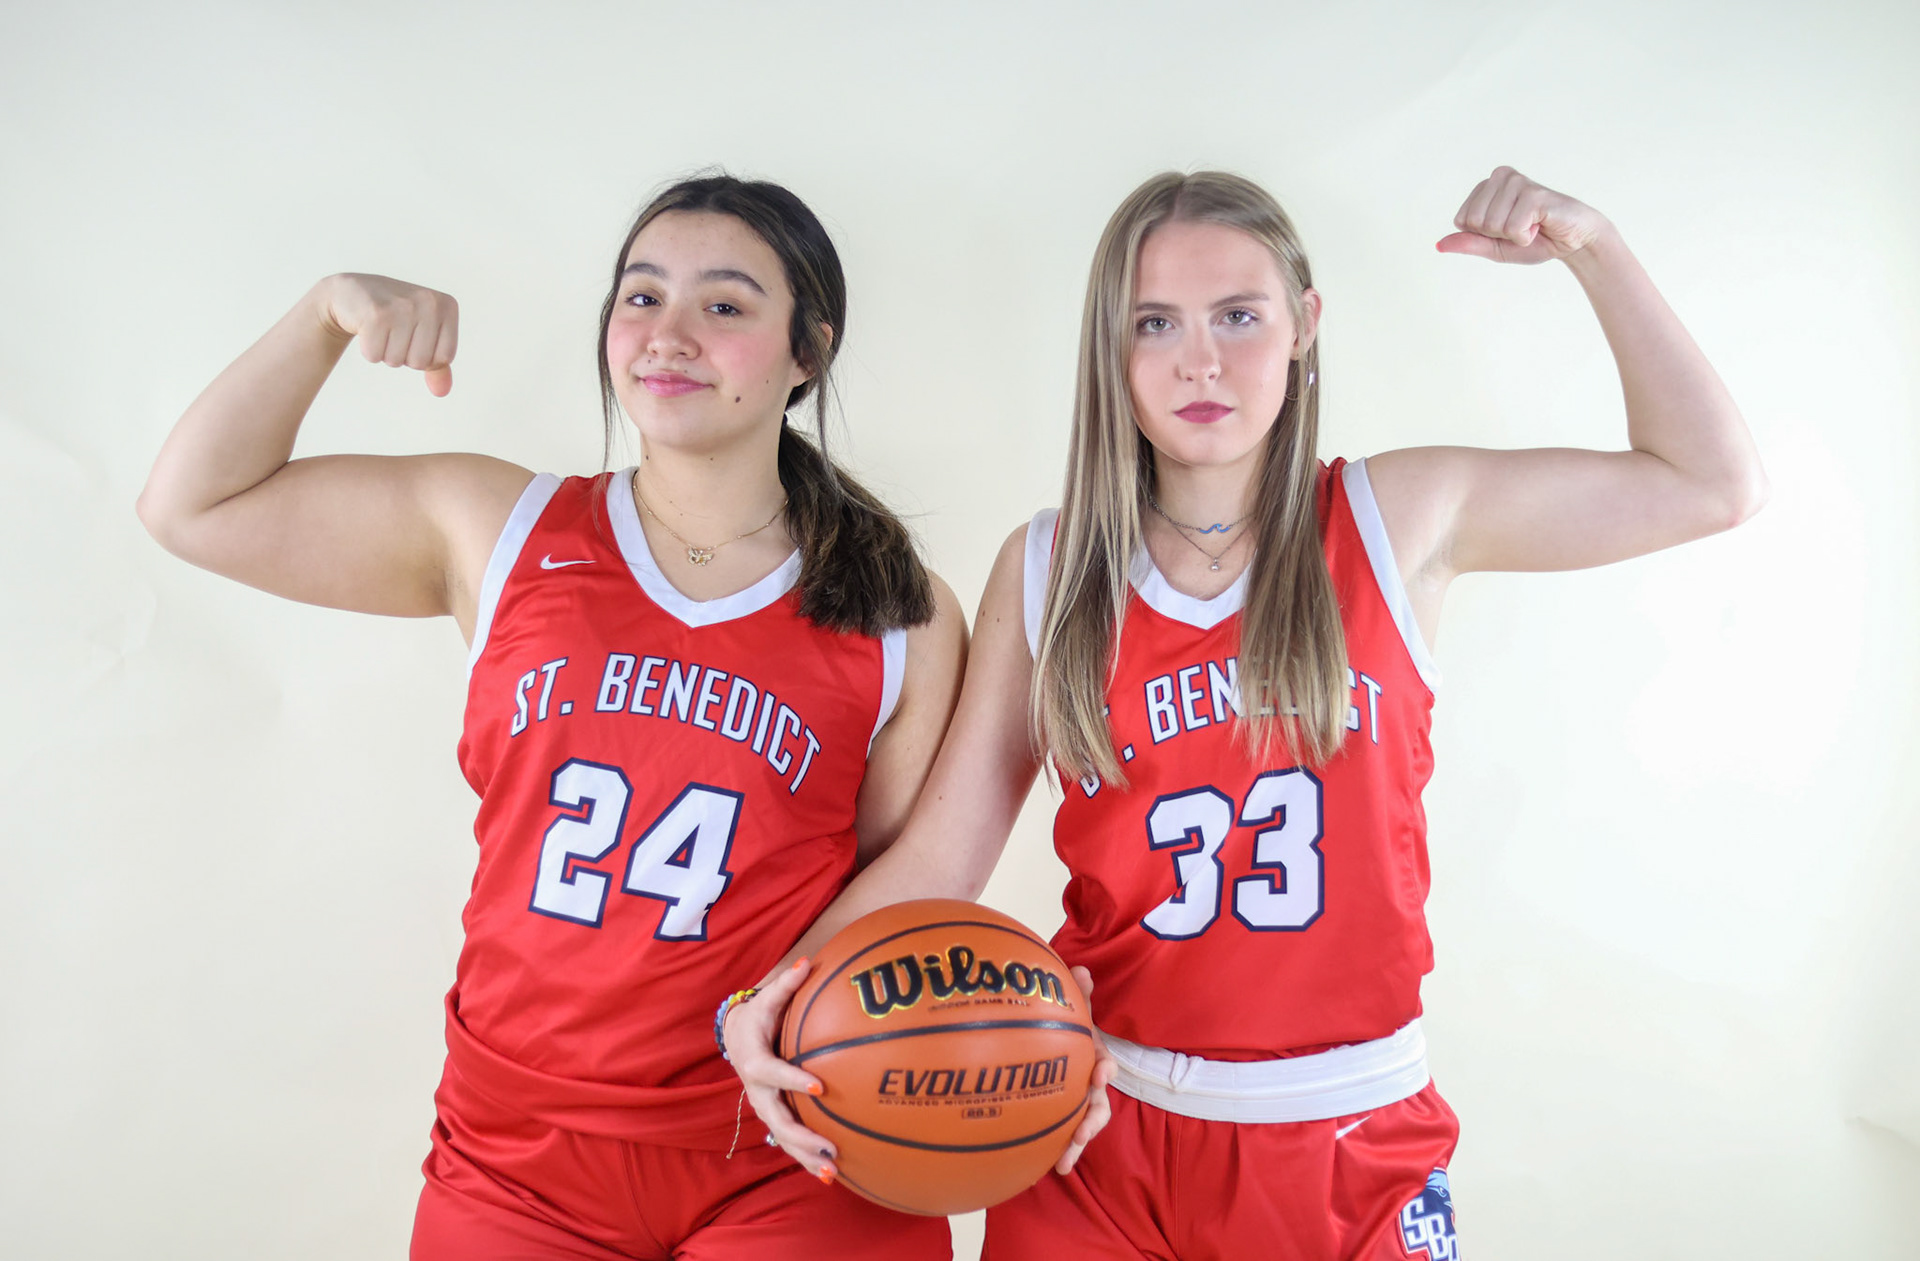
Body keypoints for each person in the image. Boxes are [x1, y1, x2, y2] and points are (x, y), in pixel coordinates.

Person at [721, 166, 1765, 1260]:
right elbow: (943, 851)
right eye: (1155, 323)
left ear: (1305, 325)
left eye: (1238, 315)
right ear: (1110, 350)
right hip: (1095, 1136)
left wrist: (1592, 245)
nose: (1200, 359)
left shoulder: (1397, 517)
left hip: (1347, 1141)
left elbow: (1710, 482)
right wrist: (760, 1000)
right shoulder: (1049, 567)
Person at [137, 175, 965, 1261]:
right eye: (640, 297)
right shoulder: (500, 526)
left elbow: (884, 896)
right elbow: (191, 504)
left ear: (809, 349)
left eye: (724, 306)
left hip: (792, 1143)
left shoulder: (901, 611)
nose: (667, 335)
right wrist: (324, 315)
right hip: (519, 1155)